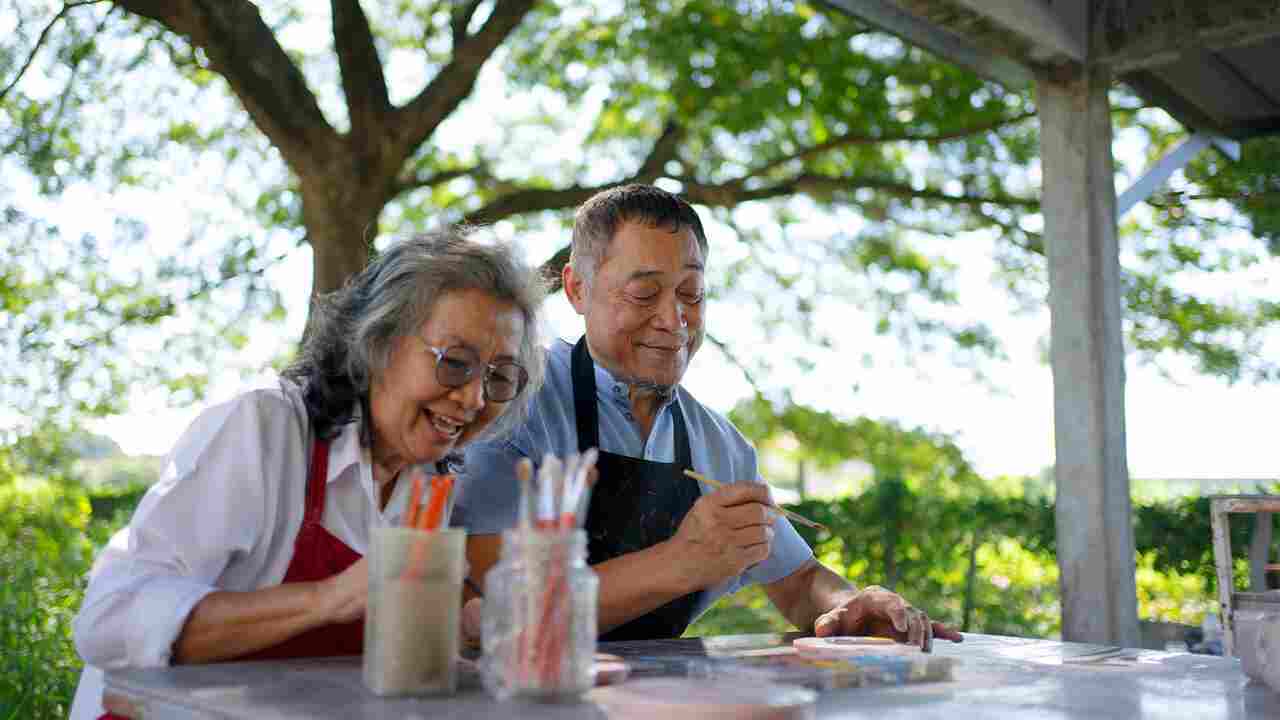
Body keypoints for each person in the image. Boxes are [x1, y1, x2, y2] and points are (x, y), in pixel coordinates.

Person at [457, 184, 964, 647]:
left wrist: (851, 606)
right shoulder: (510, 402)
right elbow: (497, 598)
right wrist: (681, 561)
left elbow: (799, 581)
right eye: (644, 293)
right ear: (576, 289)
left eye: (691, 294)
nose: (673, 318)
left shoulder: (720, 444)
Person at [70, 230, 546, 720]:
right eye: (456, 363)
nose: (474, 399)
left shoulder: (427, 483)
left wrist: (462, 639)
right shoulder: (263, 428)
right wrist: (328, 598)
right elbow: (109, 620)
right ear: (378, 343)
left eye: (500, 376)